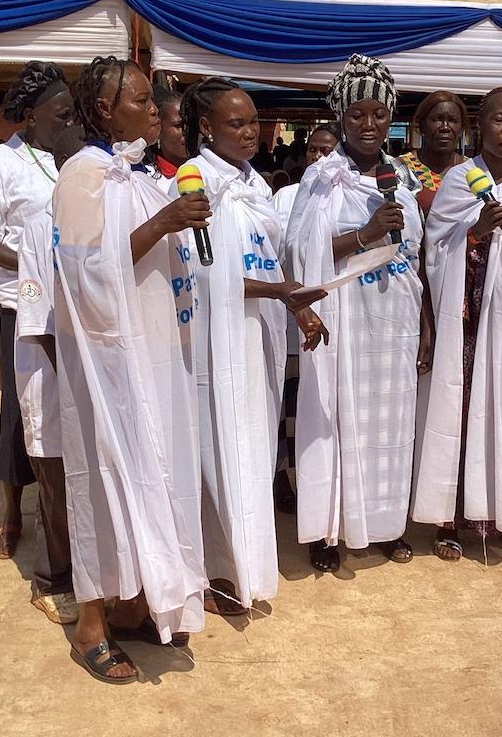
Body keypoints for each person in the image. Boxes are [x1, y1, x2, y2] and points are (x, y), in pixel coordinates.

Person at [51, 59, 206, 683]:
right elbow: (83, 273)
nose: (155, 112)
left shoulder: (143, 176)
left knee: (156, 472)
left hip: (155, 352)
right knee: (104, 479)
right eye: (140, 102)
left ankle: (138, 600)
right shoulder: (82, 176)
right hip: (106, 363)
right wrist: (163, 222)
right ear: (105, 111)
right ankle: (91, 622)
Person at [182, 78, 328, 610]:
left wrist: (297, 305)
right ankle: (216, 572)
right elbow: (203, 273)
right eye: (236, 124)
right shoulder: (194, 183)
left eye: (253, 122)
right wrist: (277, 292)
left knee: (255, 451)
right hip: (218, 340)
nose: (249, 133)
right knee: (220, 448)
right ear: (206, 128)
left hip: (258, 334)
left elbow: (270, 261)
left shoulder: (255, 186)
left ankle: (248, 567)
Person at [285, 54, 425, 572]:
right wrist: (364, 235)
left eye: (379, 114)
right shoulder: (322, 177)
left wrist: (425, 324)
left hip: (395, 319)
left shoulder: (402, 177)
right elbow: (299, 252)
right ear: (341, 117)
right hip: (344, 317)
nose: (369, 124)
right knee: (335, 420)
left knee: (390, 424)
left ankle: (385, 525)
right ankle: (328, 530)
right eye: (358, 114)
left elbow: (416, 254)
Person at [414, 88, 502, 560]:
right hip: (470, 322)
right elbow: (434, 247)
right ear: (480, 125)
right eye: (498, 120)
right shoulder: (460, 180)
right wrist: (476, 232)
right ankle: (451, 521)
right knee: (465, 414)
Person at [0, 61, 75, 575]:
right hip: (24, 299)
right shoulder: (0, 162)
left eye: (72, 114)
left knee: (65, 404)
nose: (69, 122)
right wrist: (36, 265)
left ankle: (65, 504)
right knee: (20, 406)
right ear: (31, 116)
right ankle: (13, 512)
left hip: (73, 299)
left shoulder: (72, 158)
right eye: (60, 114)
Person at [269, 121, 341, 514]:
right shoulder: (284, 196)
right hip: (288, 318)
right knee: (288, 408)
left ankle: (317, 484)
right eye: (313, 149)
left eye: (327, 151)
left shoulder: (343, 198)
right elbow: (273, 254)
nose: (318, 157)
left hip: (328, 317)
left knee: (317, 409)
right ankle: (284, 479)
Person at [399, 91, 468, 216]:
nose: (445, 127)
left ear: (461, 128)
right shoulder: (401, 168)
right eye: (437, 120)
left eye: (453, 120)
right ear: (421, 125)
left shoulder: (471, 169)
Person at [150, 87, 188, 180]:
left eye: (191, 123)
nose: (187, 130)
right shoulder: (147, 176)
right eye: (178, 125)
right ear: (159, 130)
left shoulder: (211, 170)